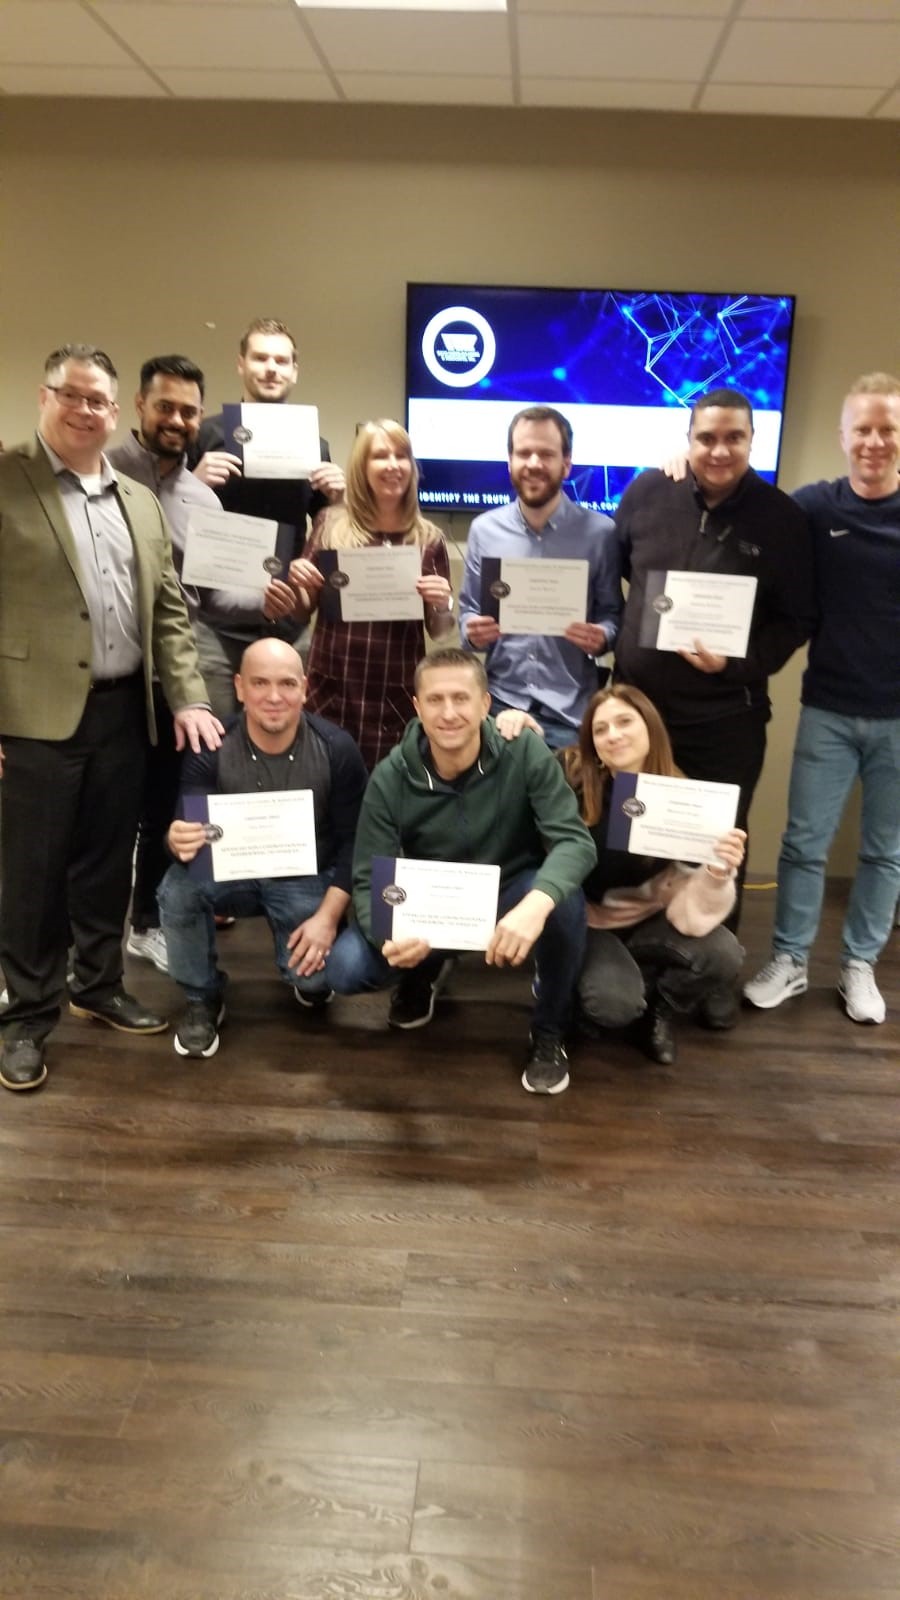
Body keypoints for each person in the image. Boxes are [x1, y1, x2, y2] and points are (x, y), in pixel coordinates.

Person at [0, 344, 221, 1094]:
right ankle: (26, 1016)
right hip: (32, 716)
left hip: (125, 710)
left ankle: (96, 985)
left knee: (105, 863)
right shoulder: (8, 479)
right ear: (45, 397)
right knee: (32, 872)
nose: (84, 409)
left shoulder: (139, 500)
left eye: (97, 399)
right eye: (72, 394)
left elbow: (169, 612)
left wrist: (189, 696)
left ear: (115, 411)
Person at [309, 648, 596, 1095]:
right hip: (431, 905)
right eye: (435, 700)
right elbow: (367, 876)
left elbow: (574, 841)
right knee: (346, 969)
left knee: (562, 904)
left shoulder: (524, 752)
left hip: (508, 892)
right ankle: (425, 967)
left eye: (461, 698)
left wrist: (535, 905)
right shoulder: (390, 776)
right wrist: (389, 939)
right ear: (417, 707)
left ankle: (549, 1031)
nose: (448, 713)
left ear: (485, 704)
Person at [109, 353, 304, 973]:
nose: (176, 419)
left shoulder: (202, 500)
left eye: (188, 411)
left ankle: (145, 923)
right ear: (139, 405)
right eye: (164, 406)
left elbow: (215, 596)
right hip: (108, 676)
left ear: (200, 419)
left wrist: (270, 598)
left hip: (174, 679)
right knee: (101, 812)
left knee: (163, 805)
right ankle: (72, 944)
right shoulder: (105, 472)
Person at [613, 387, 815, 920]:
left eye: (734, 438)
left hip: (724, 724)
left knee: (715, 850)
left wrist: (734, 662)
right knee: (633, 844)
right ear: (689, 440)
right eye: (706, 438)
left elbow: (796, 620)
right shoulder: (648, 492)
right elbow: (620, 573)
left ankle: (708, 964)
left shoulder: (783, 519)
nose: (719, 450)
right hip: (640, 716)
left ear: (752, 441)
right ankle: (630, 957)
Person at [744, 372, 900, 1025]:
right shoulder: (814, 508)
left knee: (885, 852)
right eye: (863, 429)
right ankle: (791, 960)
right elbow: (747, 506)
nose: (874, 441)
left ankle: (859, 965)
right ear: (843, 436)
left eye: (887, 429)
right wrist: (675, 465)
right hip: (828, 710)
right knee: (803, 845)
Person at [158, 639, 367, 1059]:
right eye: (260, 683)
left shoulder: (336, 748)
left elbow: (355, 845)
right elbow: (186, 836)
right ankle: (201, 997)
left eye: (287, 683)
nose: (274, 696)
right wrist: (174, 840)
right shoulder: (211, 746)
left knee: (314, 981)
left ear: (304, 688)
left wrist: (328, 919)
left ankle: (306, 977)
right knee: (177, 890)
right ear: (239, 687)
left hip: (305, 876)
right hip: (229, 873)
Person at [551, 685, 745, 1065]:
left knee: (725, 954)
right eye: (600, 729)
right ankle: (585, 991)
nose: (613, 735)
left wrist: (716, 873)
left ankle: (658, 1008)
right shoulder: (570, 781)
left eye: (624, 722)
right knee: (612, 1005)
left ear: (650, 728)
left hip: (649, 922)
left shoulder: (685, 800)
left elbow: (689, 919)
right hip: (588, 924)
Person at [190, 318, 345, 716]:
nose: (271, 368)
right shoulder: (205, 435)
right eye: (260, 358)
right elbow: (166, 522)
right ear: (240, 364)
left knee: (284, 735)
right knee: (216, 739)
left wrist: (339, 499)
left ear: (295, 370)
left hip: (286, 623)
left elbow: (327, 534)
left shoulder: (315, 446)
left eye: (281, 360)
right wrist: (192, 482)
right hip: (216, 627)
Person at [288, 419, 454, 769]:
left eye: (401, 455)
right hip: (332, 692)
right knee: (330, 791)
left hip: (394, 700)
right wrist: (301, 584)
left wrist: (441, 603)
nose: (393, 465)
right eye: (380, 456)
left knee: (389, 795)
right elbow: (301, 611)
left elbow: (439, 631)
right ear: (361, 467)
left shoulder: (429, 539)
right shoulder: (330, 525)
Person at [458, 406, 623, 748]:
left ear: (567, 464)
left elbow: (613, 616)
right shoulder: (484, 530)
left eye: (546, 454)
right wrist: (473, 633)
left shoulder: (600, 533)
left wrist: (602, 637)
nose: (533, 463)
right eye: (523, 453)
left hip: (570, 715)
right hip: (498, 705)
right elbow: (468, 615)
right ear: (510, 462)